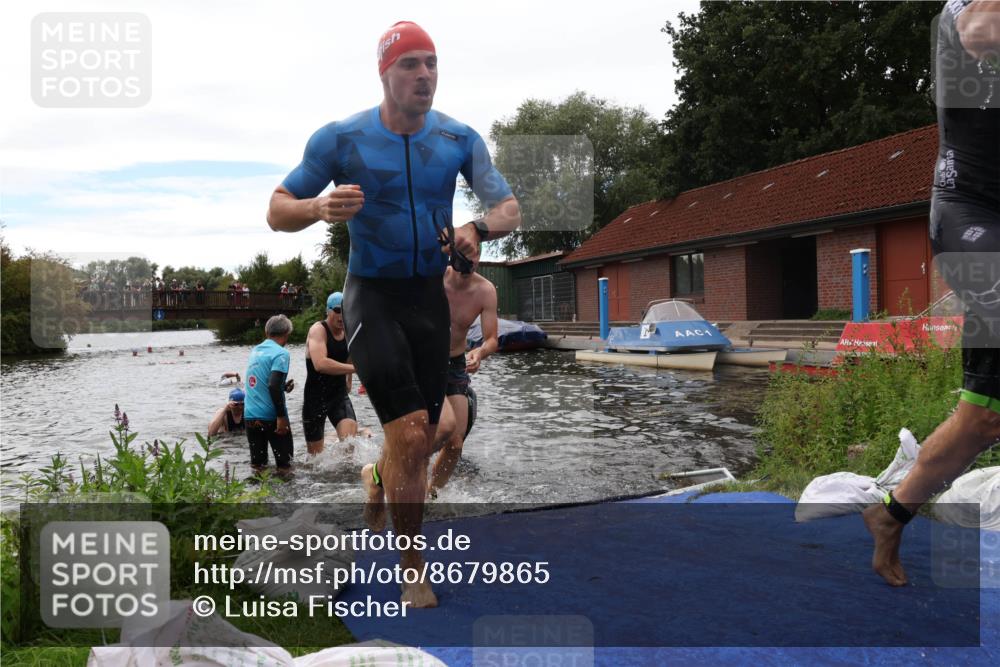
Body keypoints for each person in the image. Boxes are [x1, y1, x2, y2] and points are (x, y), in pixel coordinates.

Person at [267, 20, 521, 607]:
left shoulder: (459, 139)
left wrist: (475, 226)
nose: (425, 75)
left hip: (426, 301)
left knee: (425, 436)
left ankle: (377, 477)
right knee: (408, 431)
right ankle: (413, 566)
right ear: (386, 73)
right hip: (371, 296)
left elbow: (508, 208)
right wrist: (317, 205)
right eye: (411, 64)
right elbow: (277, 211)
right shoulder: (341, 139)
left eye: (432, 63)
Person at [863, 0, 1000, 586]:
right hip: (970, 218)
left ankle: (890, 514)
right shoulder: (967, 10)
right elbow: (979, 31)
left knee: (982, 423)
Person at [428, 256, 499, 498]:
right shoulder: (434, 278)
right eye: (467, 253)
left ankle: (430, 494)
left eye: (477, 252)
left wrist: (480, 351)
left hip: (456, 364)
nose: (473, 259)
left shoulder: (485, 290)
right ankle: (395, 470)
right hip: (425, 361)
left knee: (455, 444)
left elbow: (492, 339)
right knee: (439, 430)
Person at [303, 292, 359, 454]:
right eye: (337, 310)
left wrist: (348, 380)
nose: (341, 315)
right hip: (315, 398)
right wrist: (354, 370)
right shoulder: (318, 330)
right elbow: (320, 364)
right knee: (315, 459)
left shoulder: (349, 331)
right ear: (328, 311)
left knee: (349, 446)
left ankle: (344, 479)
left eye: (345, 309)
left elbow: (348, 356)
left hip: (339, 396)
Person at [244, 315, 297, 477]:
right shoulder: (281, 353)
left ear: (267, 332)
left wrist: (283, 387)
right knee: (285, 467)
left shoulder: (255, 350)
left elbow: (263, 382)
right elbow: (273, 385)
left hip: (250, 416)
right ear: (287, 333)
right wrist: (281, 417)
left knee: (258, 466)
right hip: (271, 417)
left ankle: (259, 499)